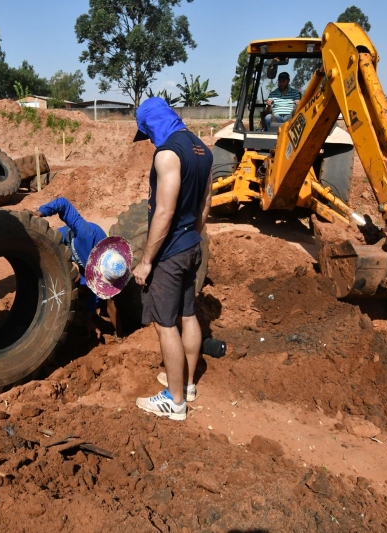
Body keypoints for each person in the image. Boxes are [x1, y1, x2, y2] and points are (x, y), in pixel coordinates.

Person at [131, 97, 213, 421]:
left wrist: (148, 261)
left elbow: (163, 212)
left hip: (170, 253)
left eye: (147, 132)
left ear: (153, 124)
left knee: (166, 325)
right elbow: (206, 203)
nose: (149, 139)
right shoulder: (202, 150)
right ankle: (188, 384)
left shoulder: (167, 154)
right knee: (189, 315)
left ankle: (175, 402)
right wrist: (193, 235)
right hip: (193, 245)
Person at [33, 198, 127, 337]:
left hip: (83, 263)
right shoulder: (86, 234)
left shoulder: (111, 267)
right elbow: (63, 204)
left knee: (108, 298)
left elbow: (93, 291)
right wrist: (40, 212)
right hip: (61, 244)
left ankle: (120, 335)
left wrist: (90, 319)